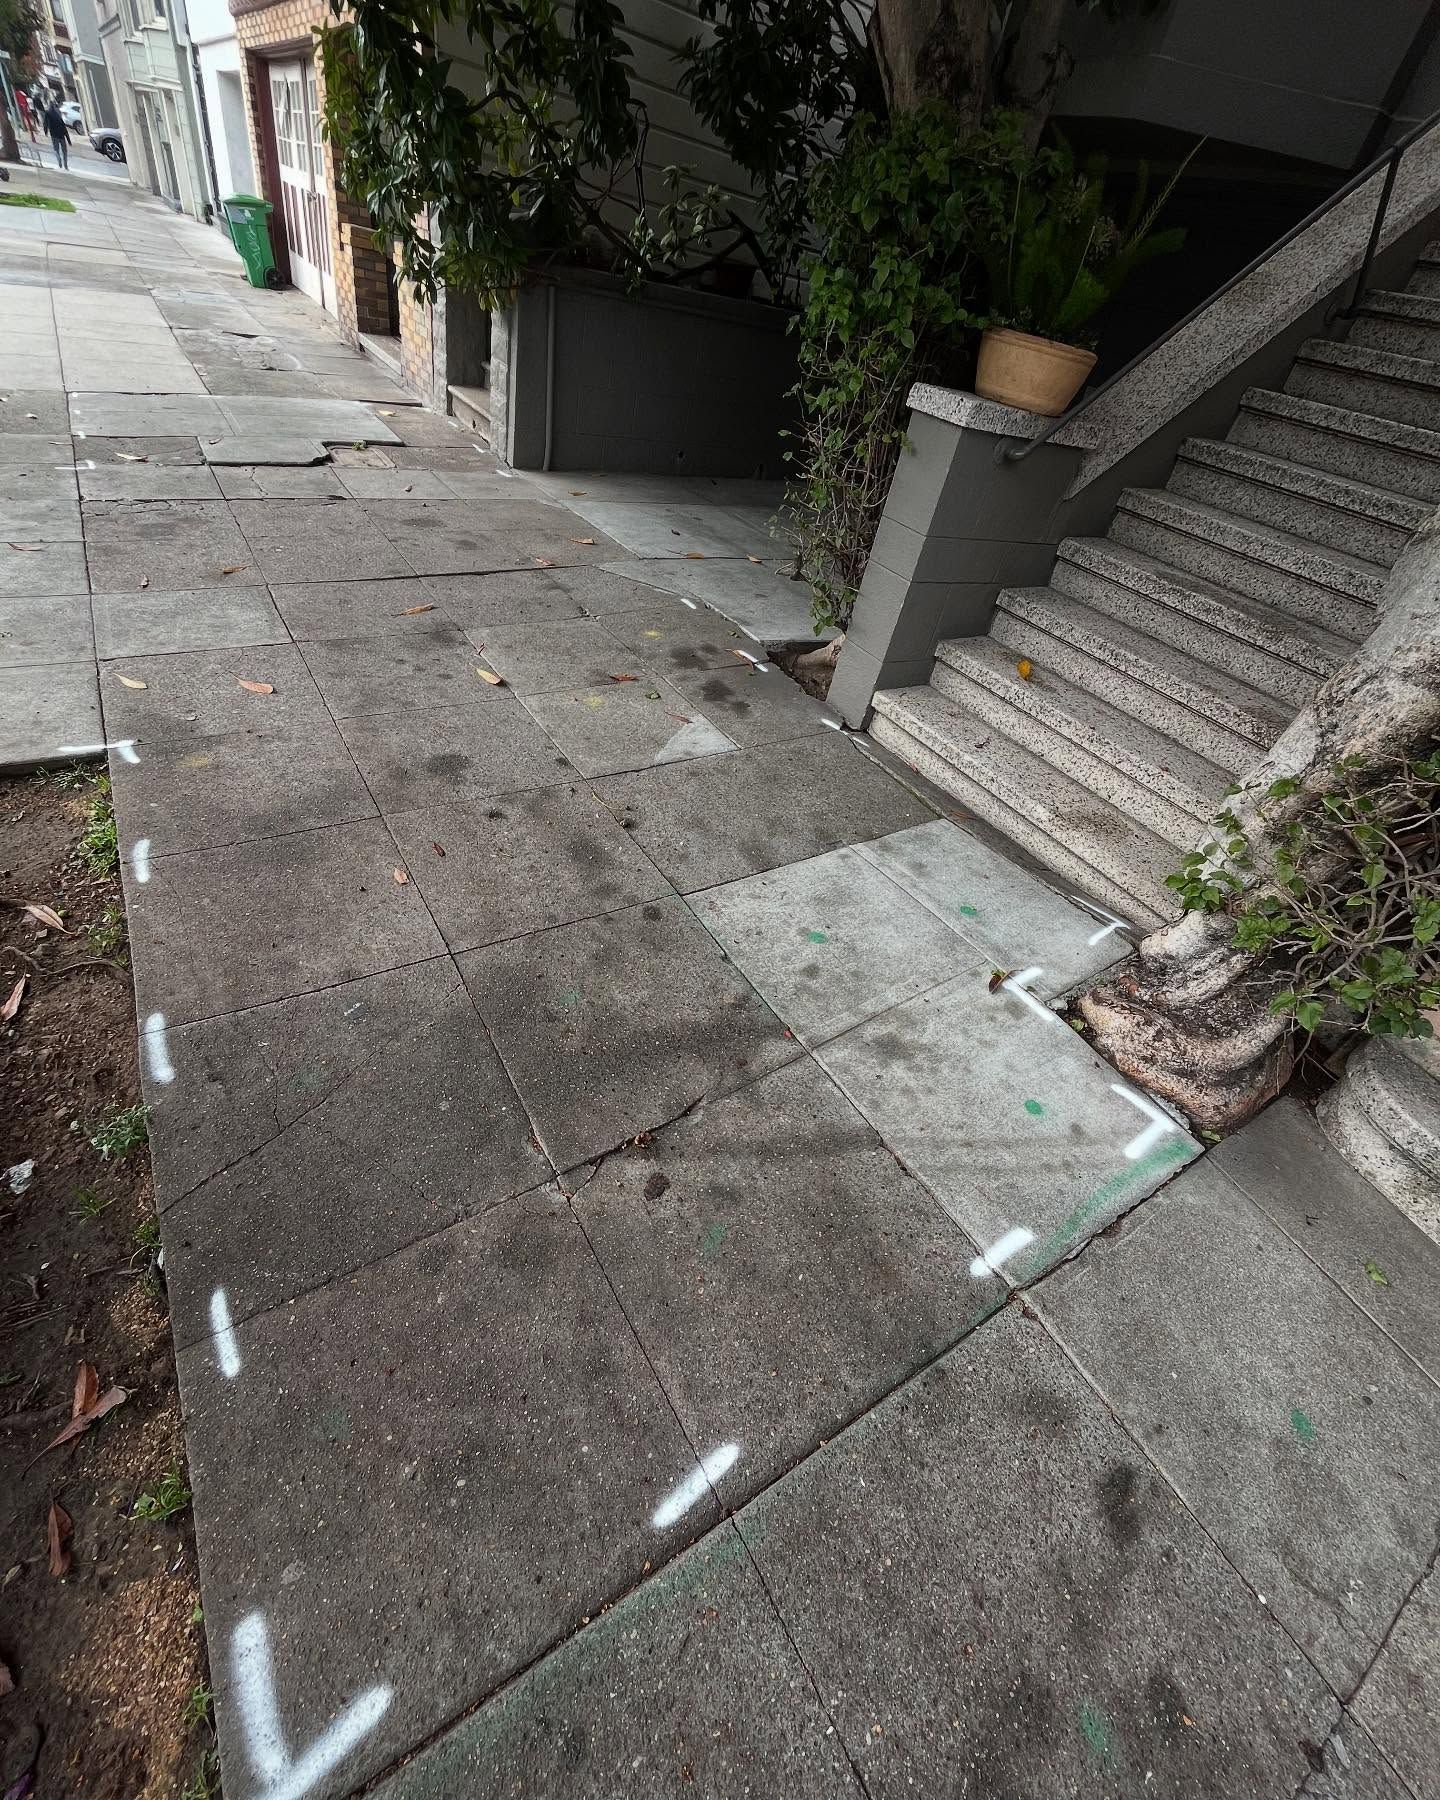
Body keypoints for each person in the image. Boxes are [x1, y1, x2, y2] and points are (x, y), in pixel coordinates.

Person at [41, 97, 70, 170]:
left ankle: (59, 161)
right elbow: (63, 125)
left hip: (54, 135)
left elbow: (45, 123)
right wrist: (68, 139)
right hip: (61, 134)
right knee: (64, 151)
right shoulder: (58, 113)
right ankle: (65, 165)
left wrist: (45, 131)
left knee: (56, 149)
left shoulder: (47, 113)